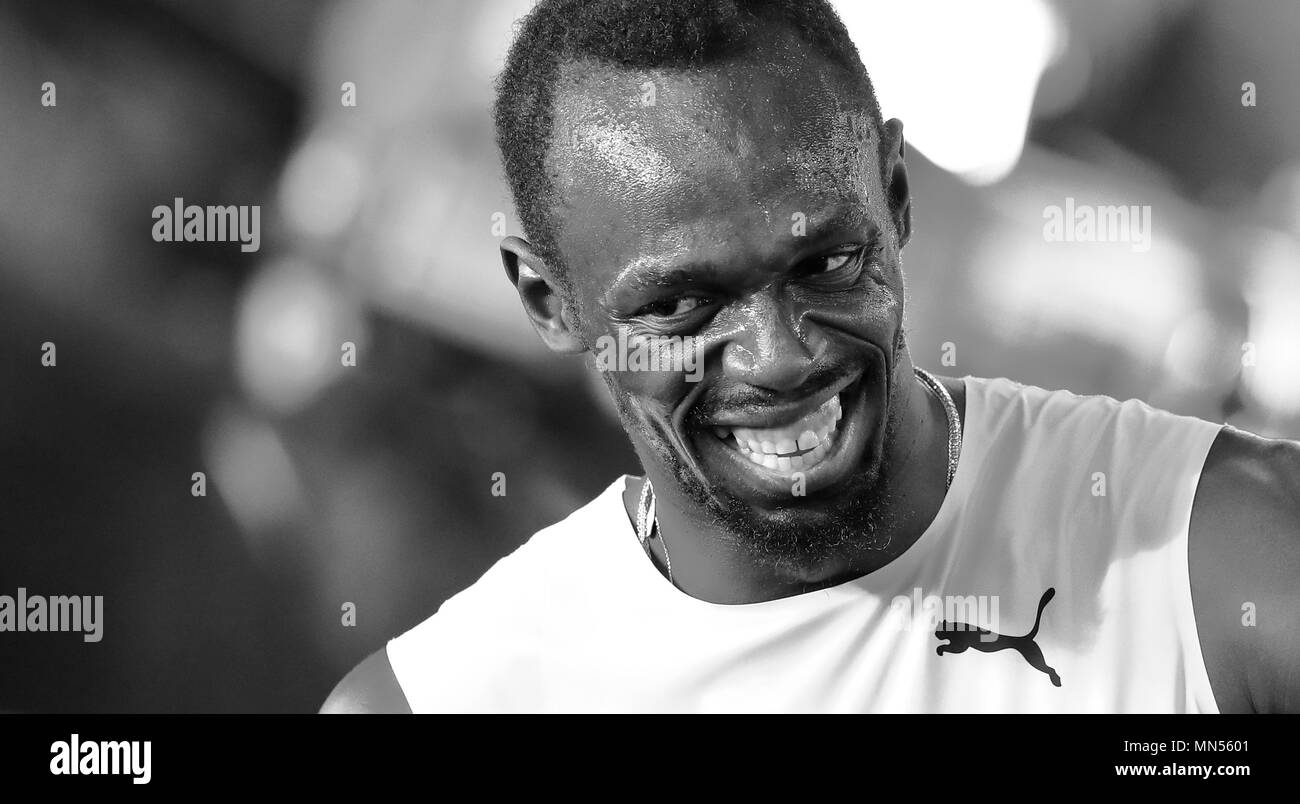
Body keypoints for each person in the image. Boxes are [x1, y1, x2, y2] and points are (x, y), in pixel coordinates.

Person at [321, 0, 1300, 713]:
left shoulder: (1227, 550)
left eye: (825, 261)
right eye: (680, 301)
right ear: (545, 297)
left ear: (894, 194)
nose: (778, 353)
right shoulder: (446, 690)